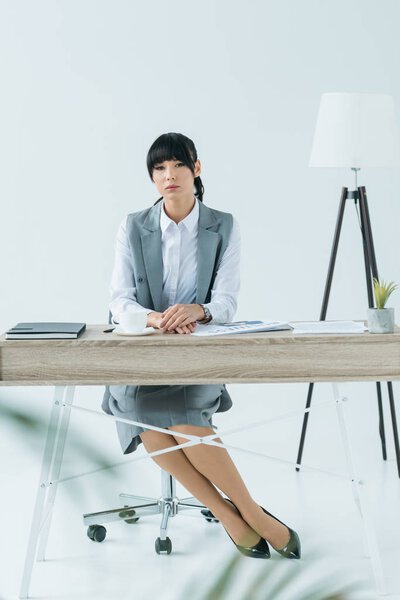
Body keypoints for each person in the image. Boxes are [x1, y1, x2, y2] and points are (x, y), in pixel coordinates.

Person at [102, 132, 300, 559]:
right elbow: (119, 299)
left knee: (179, 422)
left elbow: (227, 301)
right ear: (152, 178)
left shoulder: (223, 225)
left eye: (176, 165)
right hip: (142, 355)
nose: (168, 176)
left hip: (195, 354)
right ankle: (238, 515)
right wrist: (154, 317)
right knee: (152, 420)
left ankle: (247, 514)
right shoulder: (133, 225)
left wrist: (199, 311)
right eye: (159, 169)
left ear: (196, 167)